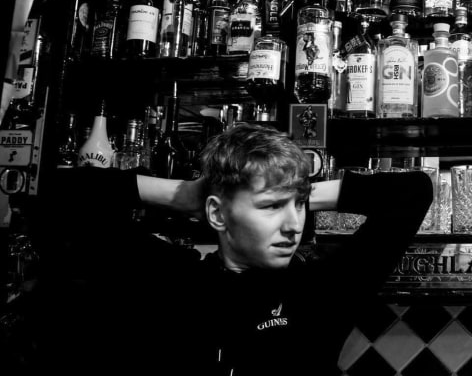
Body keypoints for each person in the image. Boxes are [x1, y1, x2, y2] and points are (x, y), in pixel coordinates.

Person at [22, 123, 433, 375]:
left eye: (300, 206)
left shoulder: (323, 292)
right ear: (217, 215)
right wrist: (184, 194)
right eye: (272, 207)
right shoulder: (168, 279)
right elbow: (51, 197)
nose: (294, 224)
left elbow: (412, 193)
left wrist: (296, 188)